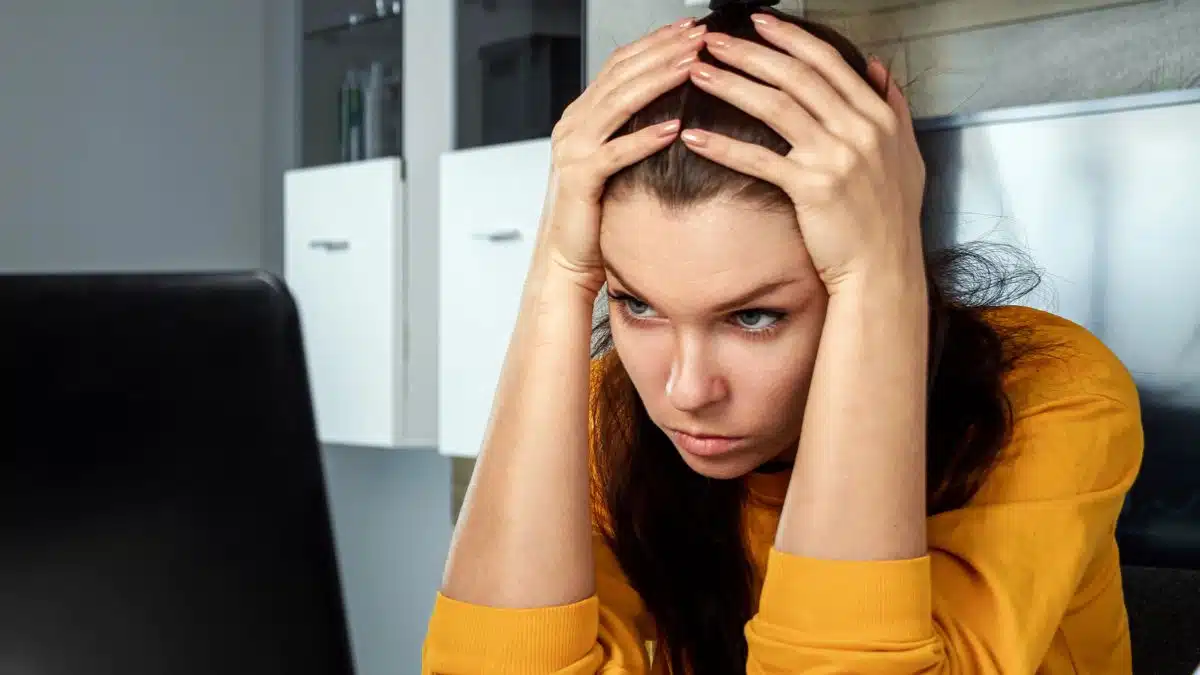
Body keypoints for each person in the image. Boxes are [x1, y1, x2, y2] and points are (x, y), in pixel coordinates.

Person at [422, 0, 1143, 672]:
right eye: (637, 305)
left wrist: (878, 277)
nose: (685, 390)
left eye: (754, 316)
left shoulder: (1055, 394)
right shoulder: (605, 409)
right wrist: (555, 271)